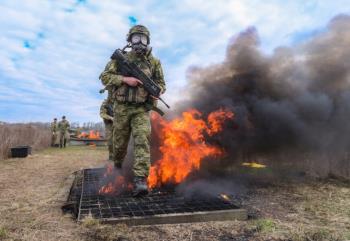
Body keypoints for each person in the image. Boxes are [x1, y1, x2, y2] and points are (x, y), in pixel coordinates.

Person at [99, 25, 166, 196]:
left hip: (141, 109)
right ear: (130, 40)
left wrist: (158, 93)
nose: (139, 42)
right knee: (119, 145)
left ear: (148, 41)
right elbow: (104, 77)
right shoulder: (120, 58)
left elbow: (161, 84)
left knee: (142, 140)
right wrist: (125, 79)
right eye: (136, 38)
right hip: (121, 108)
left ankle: (140, 180)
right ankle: (116, 171)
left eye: (143, 39)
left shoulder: (154, 62)